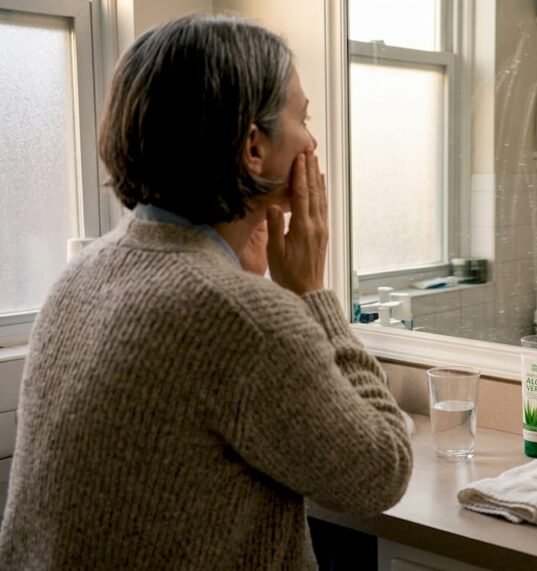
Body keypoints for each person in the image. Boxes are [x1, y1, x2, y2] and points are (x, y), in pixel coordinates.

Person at [0, 14, 412, 568]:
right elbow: (381, 473)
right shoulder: (248, 320)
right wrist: (311, 292)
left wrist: (240, 277)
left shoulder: (83, 273)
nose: (313, 142)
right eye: (303, 118)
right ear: (252, 147)